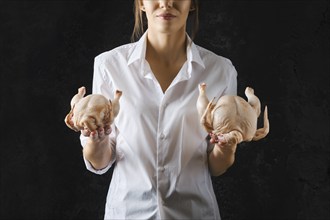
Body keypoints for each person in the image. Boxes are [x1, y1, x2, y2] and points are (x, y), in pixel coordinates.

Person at [79, 0, 238, 219]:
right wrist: (97, 139)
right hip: (129, 213)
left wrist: (227, 148)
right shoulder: (109, 66)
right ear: (141, 3)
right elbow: (100, 160)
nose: (166, 3)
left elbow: (216, 165)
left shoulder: (220, 71)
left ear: (192, 3)